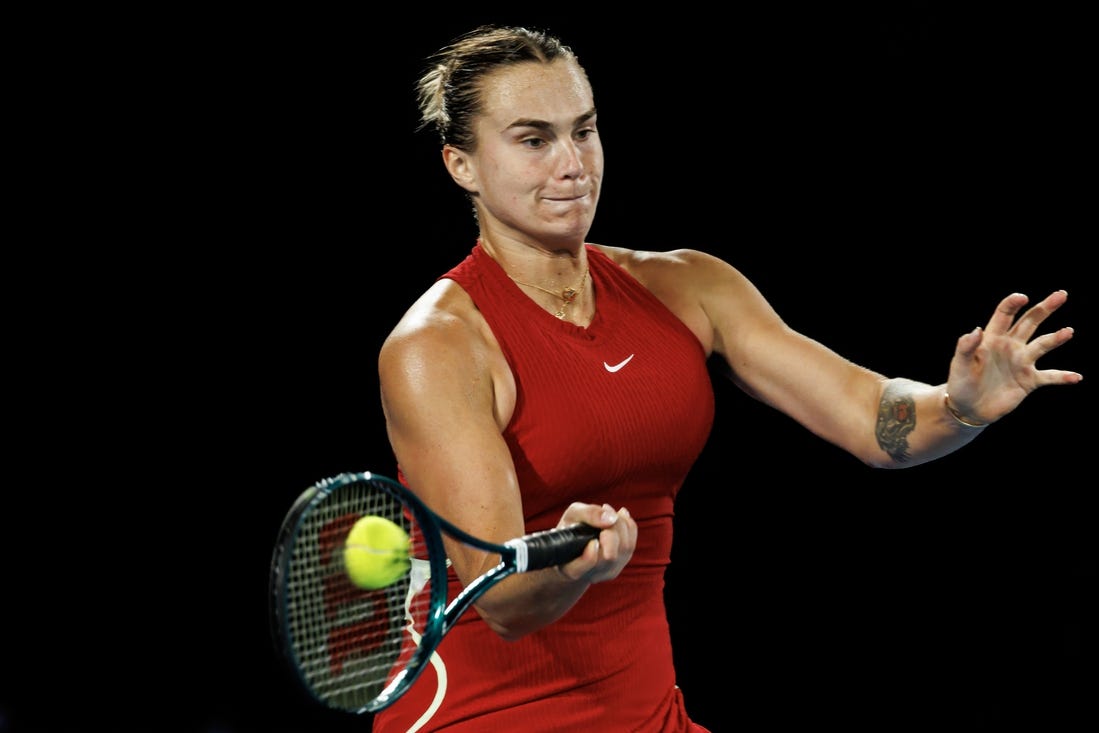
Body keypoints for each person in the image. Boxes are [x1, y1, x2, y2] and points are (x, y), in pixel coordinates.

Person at [374, 24, 1082, 733]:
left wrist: (958, 406)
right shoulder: (437, 348)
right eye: (533, 140)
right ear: (460, 164)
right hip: (483, 714)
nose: (572, 164)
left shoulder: (690, 287)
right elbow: (502, 602)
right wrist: (576, 563)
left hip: (646, 711)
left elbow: (872, 417)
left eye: (583, 131)